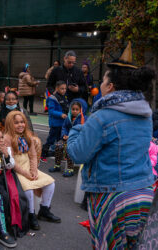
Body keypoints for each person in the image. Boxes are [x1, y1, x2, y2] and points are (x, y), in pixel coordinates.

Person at [67, 42, 155, 249]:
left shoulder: (102, 116)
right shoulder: (146, 113)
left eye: (103, 79)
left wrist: (76, 129)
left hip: (114, 197)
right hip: (146, 193)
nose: (101, 83)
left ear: (111, 86)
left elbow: (77, 154)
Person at [4, 111, 60, 231]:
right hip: (16, 170)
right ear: (9, 124)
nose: (20, 125)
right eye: (16, 123)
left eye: (22, 122)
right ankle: (31, 214)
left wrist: (34, 170)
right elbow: (11, 161)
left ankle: (44, 210)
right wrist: (26, 173)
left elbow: (33, 155)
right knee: (28, 189)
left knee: (50, 183)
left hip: (29, 167)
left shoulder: (27, 136)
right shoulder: (7, 138)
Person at [0, 127, 29, 237]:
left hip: (8, 177)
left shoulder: (7, 149)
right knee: (5, 197)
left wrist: (6, 155)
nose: (1, 140)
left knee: (20, 197)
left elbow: (10, 165)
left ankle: (19, 225)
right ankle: (6, 226)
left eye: (2, 137)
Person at [51, 99, 87, 177]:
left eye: (77, 109)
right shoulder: (68, 118)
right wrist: (64, 135)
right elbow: (64, 127)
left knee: (69, 148)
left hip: (77, 140)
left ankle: (70, 169)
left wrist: (70, 136)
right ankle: (57, 165)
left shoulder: (83, 119)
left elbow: (83, 131)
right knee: (58, 145)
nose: (74, 111)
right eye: (73, 109)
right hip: (67, 138)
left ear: (81, 110)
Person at [41, 81, 68, 161]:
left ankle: (60, 154)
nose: (64, 90)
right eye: (62, 89)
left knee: (62, 140)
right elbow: (51, 111)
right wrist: (61, 114)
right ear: (57, 88)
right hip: (55, 124)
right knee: (51, 140)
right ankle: (43, 155)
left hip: (62, 123)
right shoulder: (52, 98)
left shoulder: (64, 97)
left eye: (65, 89)